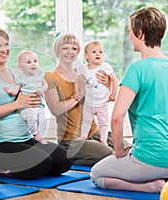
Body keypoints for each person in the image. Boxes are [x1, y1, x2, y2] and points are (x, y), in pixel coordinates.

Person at [0, 26, 72, 179]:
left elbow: (33, 90)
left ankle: (23, 164)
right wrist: (17, 104)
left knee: (63, 160)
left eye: (6, 44)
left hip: (25, 138)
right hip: (0, 144)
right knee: (43, 163)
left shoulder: (17, 72)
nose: (4, 49)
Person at [91, 7, 168, 193]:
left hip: (151, 158)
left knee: (96, 175)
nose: (130, 37)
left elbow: (117, 116)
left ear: (140, 34)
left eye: (130, 32)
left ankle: (151, 186)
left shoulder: (137, 69)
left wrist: (118, 150)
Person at [44, 33, 118, 166]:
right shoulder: (50, 77)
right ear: (57, 51)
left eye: (74, 48)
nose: (70, 52)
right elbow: (55, 109)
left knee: (127, 149)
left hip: (93, 131)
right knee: (107, 153)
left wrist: (107, 84)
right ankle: (69, 156)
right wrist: (78, 97)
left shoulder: (85, 72)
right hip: (70, 138)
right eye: (65, 48)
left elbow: (100, 94)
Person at [3, 50, 48, 144]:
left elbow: (45, 85)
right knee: (31, 117)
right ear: (21, 67)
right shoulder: (21, 78)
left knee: (43, 119)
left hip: (39, 105)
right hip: (26, 107)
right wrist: (10, 92)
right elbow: (16, 90)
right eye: (28, 62)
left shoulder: (40, 75)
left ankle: (41, 135)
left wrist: (42, 90)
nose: (33, 64)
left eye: (35, 61)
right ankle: (35, 134)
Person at [79, 41, 118, 145]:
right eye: (94, 52)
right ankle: (83, 137)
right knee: (86, 120)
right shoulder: (84, 68)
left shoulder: (105, 67)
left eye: (101, 52)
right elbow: (78, 81)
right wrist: (77, 91)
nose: (98, 54)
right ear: (87, 56)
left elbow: (115, 80)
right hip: (89, 103)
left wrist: (113, 94)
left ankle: (103, 140)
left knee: (103, 122)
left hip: (102, 103)